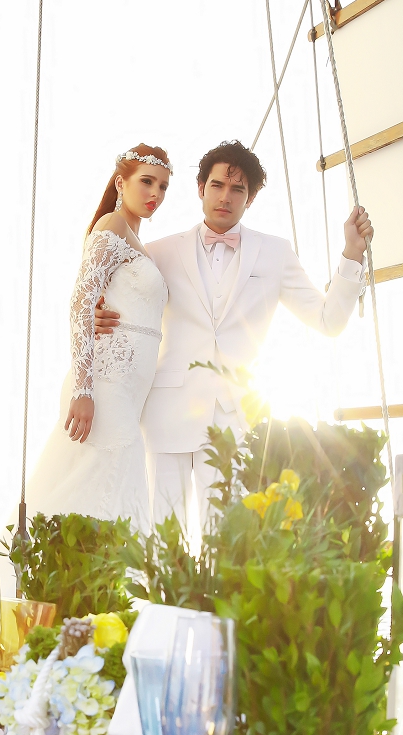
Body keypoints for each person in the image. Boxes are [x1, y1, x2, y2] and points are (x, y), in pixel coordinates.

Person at [95, 139, 371, 527]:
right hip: (165, 413)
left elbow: (329, 321)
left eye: (237, 189)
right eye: (217, 186)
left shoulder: (276, 253)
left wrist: (352, 255)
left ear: (251, 198)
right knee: (159, 540)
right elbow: (110, 296)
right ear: (200, 189)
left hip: (236, 421)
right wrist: (98, 317)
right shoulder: (158, 251)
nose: (225, 197)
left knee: (224, 543)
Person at [21, 143, 172, 531]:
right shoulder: (112, 226)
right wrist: (84, 389)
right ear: (121, 183)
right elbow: (81, 302)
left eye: (163, 186)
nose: (155, 193)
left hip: (129, 392)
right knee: (101, 493)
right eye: (147, 182)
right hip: (103, 387)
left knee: (105, 493)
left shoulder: (141, 246)